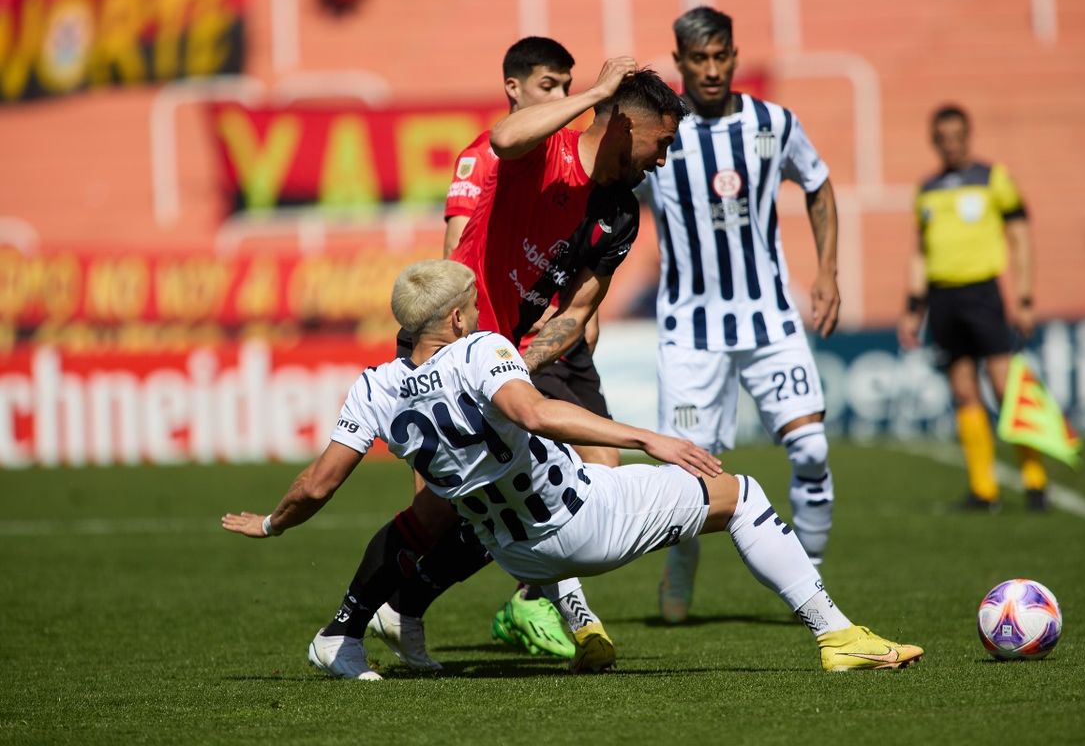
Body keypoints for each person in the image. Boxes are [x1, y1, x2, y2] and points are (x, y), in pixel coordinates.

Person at [222, 260, 925, 677]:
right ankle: (837, 635)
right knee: (741, 494)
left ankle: (389, 620)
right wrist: (649, 437)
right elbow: (533, 413)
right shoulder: (478, 350)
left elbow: (319, 484)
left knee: (445, 512)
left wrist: (272, 522)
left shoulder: (372, 386)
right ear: (459, 316)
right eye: (471, 303)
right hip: (583, 521)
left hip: (517, 553)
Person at [296, 60, 688, 678]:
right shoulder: (537, 148)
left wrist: (510, 370)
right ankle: (351, 626)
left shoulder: (621, 213)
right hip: (460, 338)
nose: (663, 160)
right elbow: (503, 142)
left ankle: (545, 610)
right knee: (442, 509)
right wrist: (595, 93)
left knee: (551, 487)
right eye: (661, 144)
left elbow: (578, 310)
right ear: (621, 125)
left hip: (518, 353)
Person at [375, 37, 622, 668]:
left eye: (569, 87)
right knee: (448, 500)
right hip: (476, 338)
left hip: (539, 338)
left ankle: (545, 598)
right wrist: (461, 342)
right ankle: (383, 609)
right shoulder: (487, 154)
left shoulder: (576, 158)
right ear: (513, 88)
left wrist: (575, 314)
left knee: (600, 472)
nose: (562, 99)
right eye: (549, 87)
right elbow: (458, 247)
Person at [644, 7, 842, 624]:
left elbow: (817, 183)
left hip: (769, 318)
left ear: (733, 55)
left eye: (720, 56)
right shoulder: (658, 131)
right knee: (689, 473)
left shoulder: (773, 124)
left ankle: (808, 576)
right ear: (677, 62)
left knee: (810, 449)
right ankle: (680, 569)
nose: (710, 69)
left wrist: (828, 271)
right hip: (690, 330)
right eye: (697, 59)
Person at [898, 104, 1048, 511]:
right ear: (935, 141)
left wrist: (1025, 297)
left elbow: (1020, 238)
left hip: (984, 293)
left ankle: (1035, 481)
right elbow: (920, 253)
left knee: (1004, 388)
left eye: (956, 136)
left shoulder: (992, 178)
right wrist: (914, 307)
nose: (950, 144)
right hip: (944, 299)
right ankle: (984, 490)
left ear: (968, 135)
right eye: (942, 138)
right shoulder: (926, 188)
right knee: (964, 391)